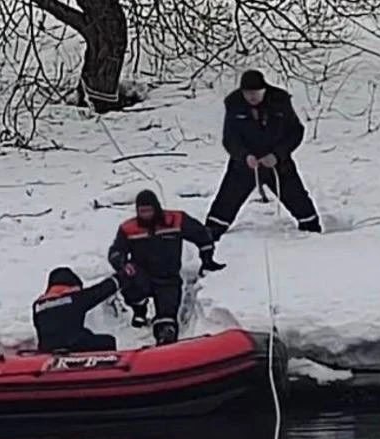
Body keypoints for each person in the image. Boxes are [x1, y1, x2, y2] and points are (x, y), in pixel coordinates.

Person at [204, 69, 322, 241]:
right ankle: (212, 232)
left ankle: (311, 228)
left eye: (256, 93)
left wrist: (277, 155)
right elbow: (230, 139)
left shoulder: (280, 101)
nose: (252, 97)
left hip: (276, 162)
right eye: (247, 93)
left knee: (296, 197)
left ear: (264, 89)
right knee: (227, 198)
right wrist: (244, 156)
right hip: (245, 163)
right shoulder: (234, 103)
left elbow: (296, 132)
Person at [108, 189, 226, 345]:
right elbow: (116, 251)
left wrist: (207, 260)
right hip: (141, 275)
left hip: (168, 277)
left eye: (149, 210)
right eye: (142, 211)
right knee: (130, 285)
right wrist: (122, 263)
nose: (146, 215)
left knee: (167, 315)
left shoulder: (176, 220)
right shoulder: (128, 228)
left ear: (156, 208)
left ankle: (165, 339)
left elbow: (201, 235)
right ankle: (139, 310)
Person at [32, 266, 130, 353]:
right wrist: (123, 276)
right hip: (74, 345)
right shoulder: (74, 298)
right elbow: (100, 291)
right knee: (107, 341)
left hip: (47, 349)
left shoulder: (37, 305)